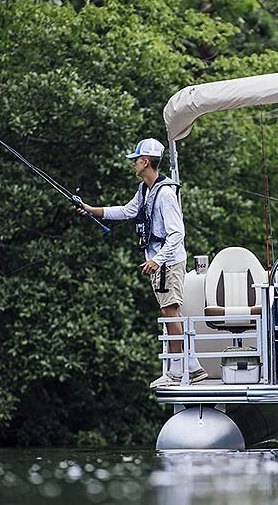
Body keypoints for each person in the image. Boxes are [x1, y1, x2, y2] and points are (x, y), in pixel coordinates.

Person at [75, 138, 207, 386]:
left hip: (167, 262)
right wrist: (91, 210)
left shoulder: (165, 193)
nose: (133, 163)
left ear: (145, 162)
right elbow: (127, 211)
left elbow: (177, 233)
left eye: (135, 159)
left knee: (170, 313)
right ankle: (193, 367)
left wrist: (157, 260)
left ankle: (176, 372)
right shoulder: (145, 190)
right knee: (169, 312)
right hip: (160, 261)